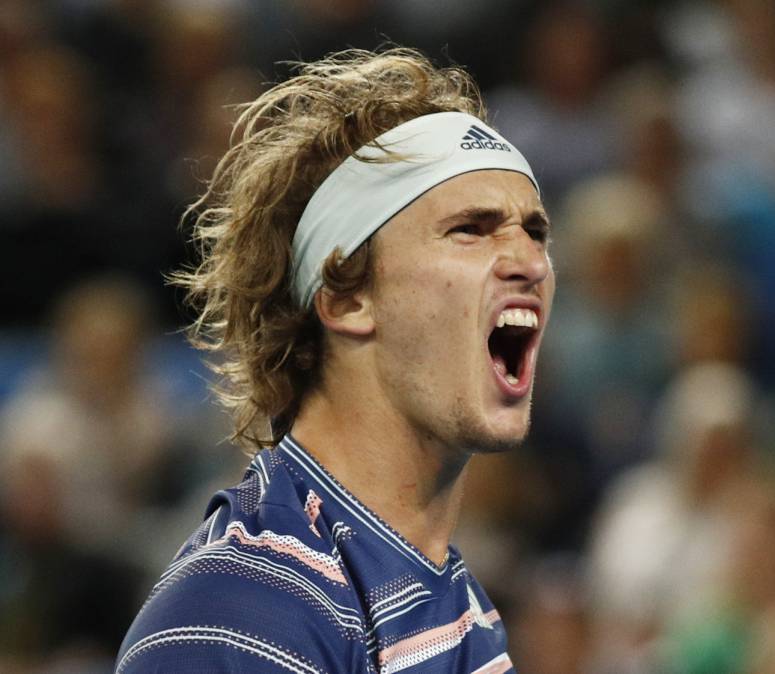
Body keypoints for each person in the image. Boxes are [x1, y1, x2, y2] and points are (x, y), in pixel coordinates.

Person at [116, 48, 554, 673]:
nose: (531, 262)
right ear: (346, 297)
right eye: (471, 229)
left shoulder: (459, 607)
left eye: (534, 233)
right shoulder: (239, 616)